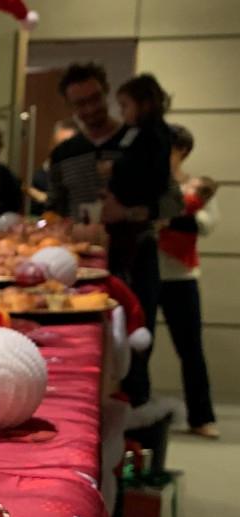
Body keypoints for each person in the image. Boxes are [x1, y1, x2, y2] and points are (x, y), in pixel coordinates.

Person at [104, 74, 174, 409]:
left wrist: (128, 211)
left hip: (136, 241)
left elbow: (165, 196)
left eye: (125, 105)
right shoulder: (132, 134)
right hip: (117, 237)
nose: (122, 112)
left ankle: (136, 396)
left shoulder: (154, 136)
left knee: (137, 316)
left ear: (145, 103)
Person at [157, 124, 219, 438]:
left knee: (191, 349)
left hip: (182, 277)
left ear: (181, 151)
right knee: (138, 346)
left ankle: (201, 416)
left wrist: (181, 212)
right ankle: (138, 416)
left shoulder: (197, 187)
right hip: (147, 272)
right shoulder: (149, 183)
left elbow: (208, 226)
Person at [46, 63, 126, 223]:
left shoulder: (140, 143)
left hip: (134, 245)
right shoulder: (62, 154)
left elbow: (170, 204)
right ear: (69, 105)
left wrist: (127, 213)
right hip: (78, 245)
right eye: (81, 103)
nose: (90, 109)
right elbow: (54, 210)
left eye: (95, 99)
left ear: (107, 91)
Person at [28, 119, 76, 215]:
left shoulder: (82, 173)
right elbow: (37, 218)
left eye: (70, 146)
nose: (65, 152)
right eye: (61, 146)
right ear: (52, 147)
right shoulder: (40, 177)